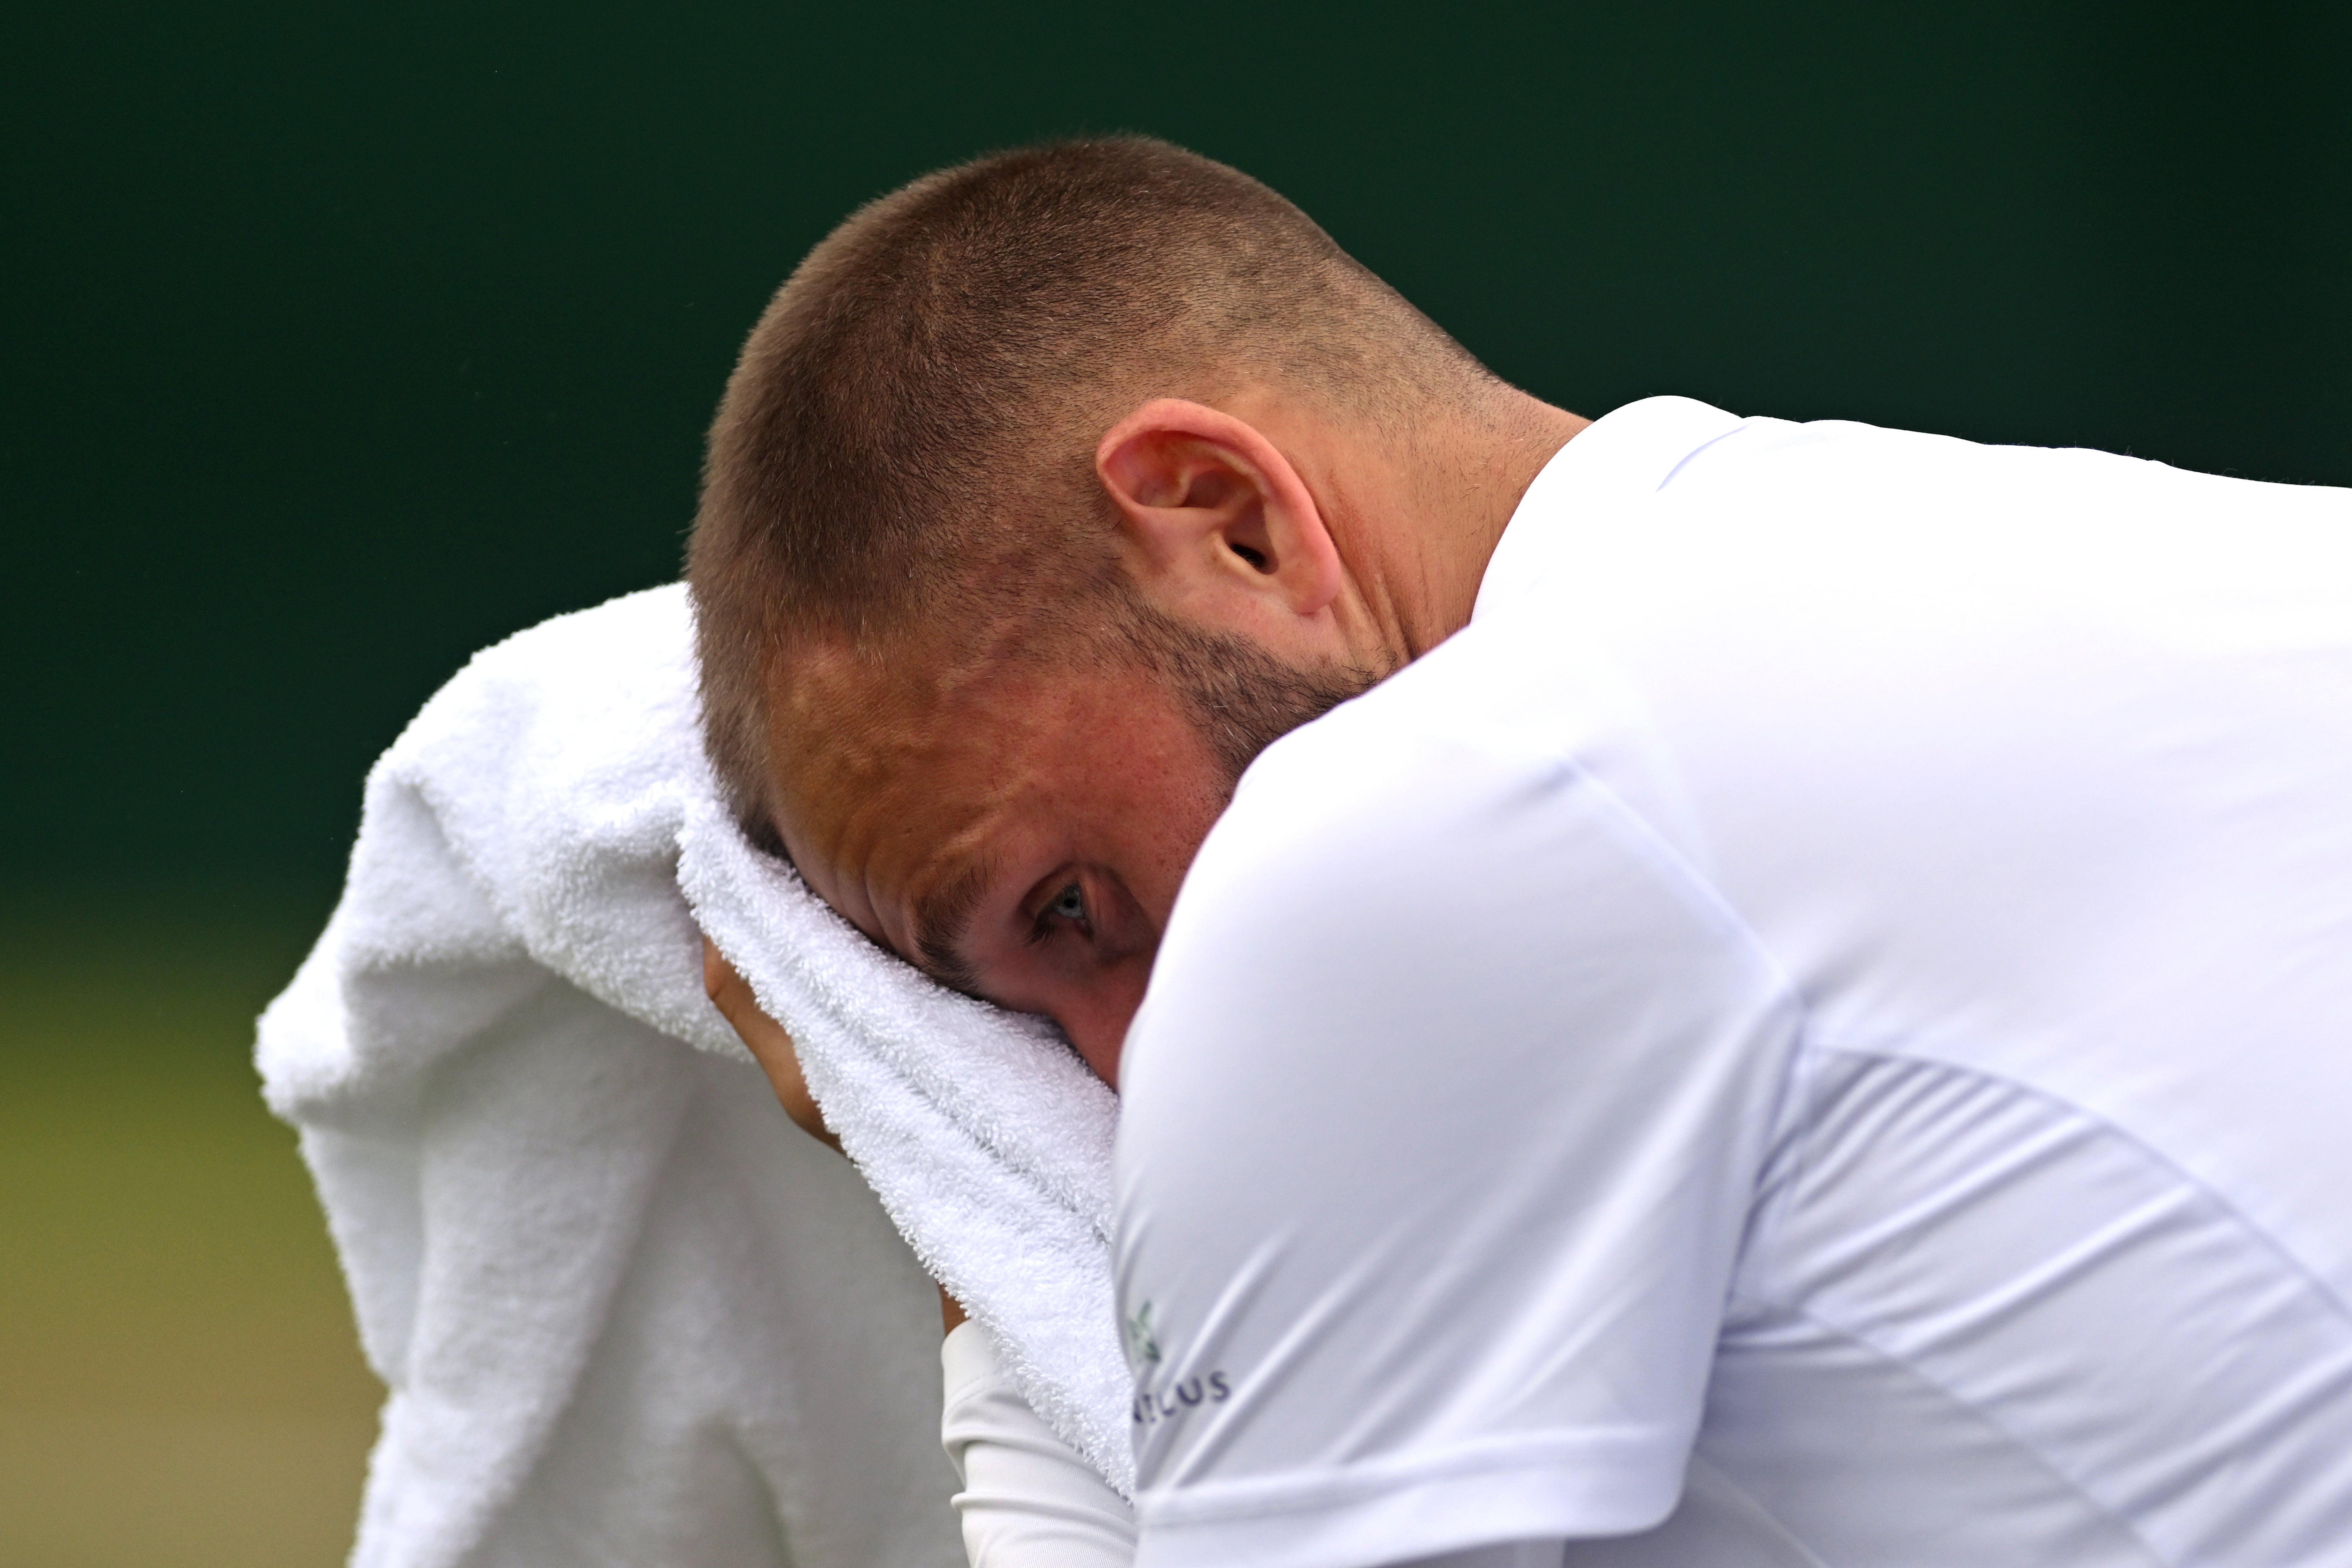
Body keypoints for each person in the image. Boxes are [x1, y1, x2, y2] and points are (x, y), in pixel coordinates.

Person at [686, 135, 2352, 1566]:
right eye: (1009, 1035)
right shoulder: (2153, 554)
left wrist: (971, 1241)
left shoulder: (1408, 846)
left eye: (1072, 911)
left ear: (1229, 516)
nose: (1121, 1066)